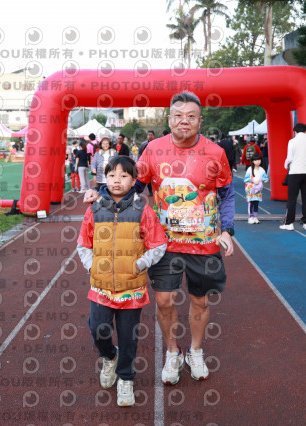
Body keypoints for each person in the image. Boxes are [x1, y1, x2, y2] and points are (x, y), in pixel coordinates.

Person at [84, 91, 235, 385]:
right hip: (163, 242)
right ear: (169, 119)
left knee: (201, 301)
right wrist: (101, 195)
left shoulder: (215, 153)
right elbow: (133, 185)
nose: (184, 121)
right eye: (178, 116)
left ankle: (195, 351)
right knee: (164, 301)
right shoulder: (153, 150)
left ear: (200, 120)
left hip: (204, 243)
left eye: (191, 116)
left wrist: (227, 229)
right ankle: (172, 352)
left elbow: (227, 193)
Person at [77, 156, 168, 407]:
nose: (117, 180)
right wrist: (92, 266)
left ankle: (126, 377)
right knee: (98, 328)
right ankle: (109, 356)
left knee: (128, 336)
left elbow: (158, 244)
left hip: (132, 288)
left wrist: (139, 264)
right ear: (104, 178)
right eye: (112, 175)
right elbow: (83, 243)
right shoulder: (94, 209)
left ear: (134, 180)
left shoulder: (142, 210)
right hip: (101, 286)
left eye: (124, 175)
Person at [280, 123, 306, 231]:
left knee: (292, 199)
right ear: (305, 131)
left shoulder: (292, 141)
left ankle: (289, 223)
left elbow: (290, 158)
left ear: (295, 131)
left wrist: (286, 164)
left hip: (295, 172)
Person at [243, 153, 268, 224]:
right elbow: (245, 179)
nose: (258, 161)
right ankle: (250, 217)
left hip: (258, 190)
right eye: (256, 160)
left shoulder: (262, 170)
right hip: (250, 189)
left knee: (256, 203)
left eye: (259, 160)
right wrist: (253, 180)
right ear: (253, 161)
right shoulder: (249, 169)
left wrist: (260, 180)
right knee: (251, 203)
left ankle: (255, 217)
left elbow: (266, 179)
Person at [137, 130, 156, 196]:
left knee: (156, 178)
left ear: (153, 136)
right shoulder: (143, 144)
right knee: (147, 178)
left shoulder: (156, 144)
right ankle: (150, 191)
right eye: (149, 135)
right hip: (146, 164)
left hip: (155, 164)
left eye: (151, 135)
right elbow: (140, 153)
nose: (150, 136)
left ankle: (156, 191)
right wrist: (139, 162)